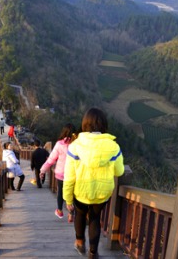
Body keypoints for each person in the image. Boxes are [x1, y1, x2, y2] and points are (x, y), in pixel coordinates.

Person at [63, 108, 125, 259]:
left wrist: (68, 198)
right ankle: (93, 253)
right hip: (102, 193)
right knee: (95, 219)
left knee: (80, 214)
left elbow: (69, 176)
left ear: (85, 124)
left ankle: (79, 242)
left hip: (81, 191)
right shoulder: (113, 147)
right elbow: (119, 171)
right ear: (104, 124)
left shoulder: (75, 146)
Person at [40, 123, 76, 222]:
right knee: (72, 194)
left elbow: (51, 159)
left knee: (60, 192)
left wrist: (42, 170)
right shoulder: (77, 145)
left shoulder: (60, 144)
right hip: (74, 174)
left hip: (61, 174)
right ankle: (71, 213)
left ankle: (60, 210)